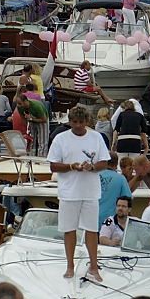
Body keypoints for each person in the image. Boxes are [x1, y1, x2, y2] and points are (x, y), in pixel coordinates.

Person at [48, 105, 110, 281]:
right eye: (74, 122)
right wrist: (71, 166)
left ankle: (93, 266)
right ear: (70, 121)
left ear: (87, 122)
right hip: (68, 192)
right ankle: (70, 266)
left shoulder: (96, 137)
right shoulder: (60, 139)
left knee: (91, 230)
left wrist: (92, 167)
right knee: (69, 230)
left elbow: (104, 162)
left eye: (81, 122)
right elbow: (53, 165)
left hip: (90, 192)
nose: (77, 125)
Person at [97, 153, 133, 226]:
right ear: (116, 164)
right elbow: (127, 199)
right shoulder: (121, 179)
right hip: (110, 222)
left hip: (92, 219)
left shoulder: (94, 176)